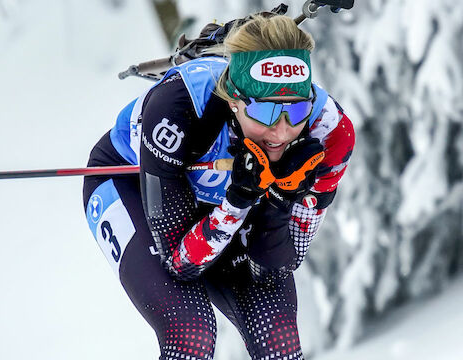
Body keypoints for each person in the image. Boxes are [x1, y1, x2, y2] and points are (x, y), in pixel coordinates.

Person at [82, 13, 354, 360]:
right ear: (235, 101)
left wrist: (279, 201)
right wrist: (238, 202)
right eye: (266, 113)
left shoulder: (331, 133)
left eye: (297, 111)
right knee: (191, 333)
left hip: (219, 207)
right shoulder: (179, 106)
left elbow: (278, 266)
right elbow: (180, 263)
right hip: (128, 184)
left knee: (279, 339)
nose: (282, 132)